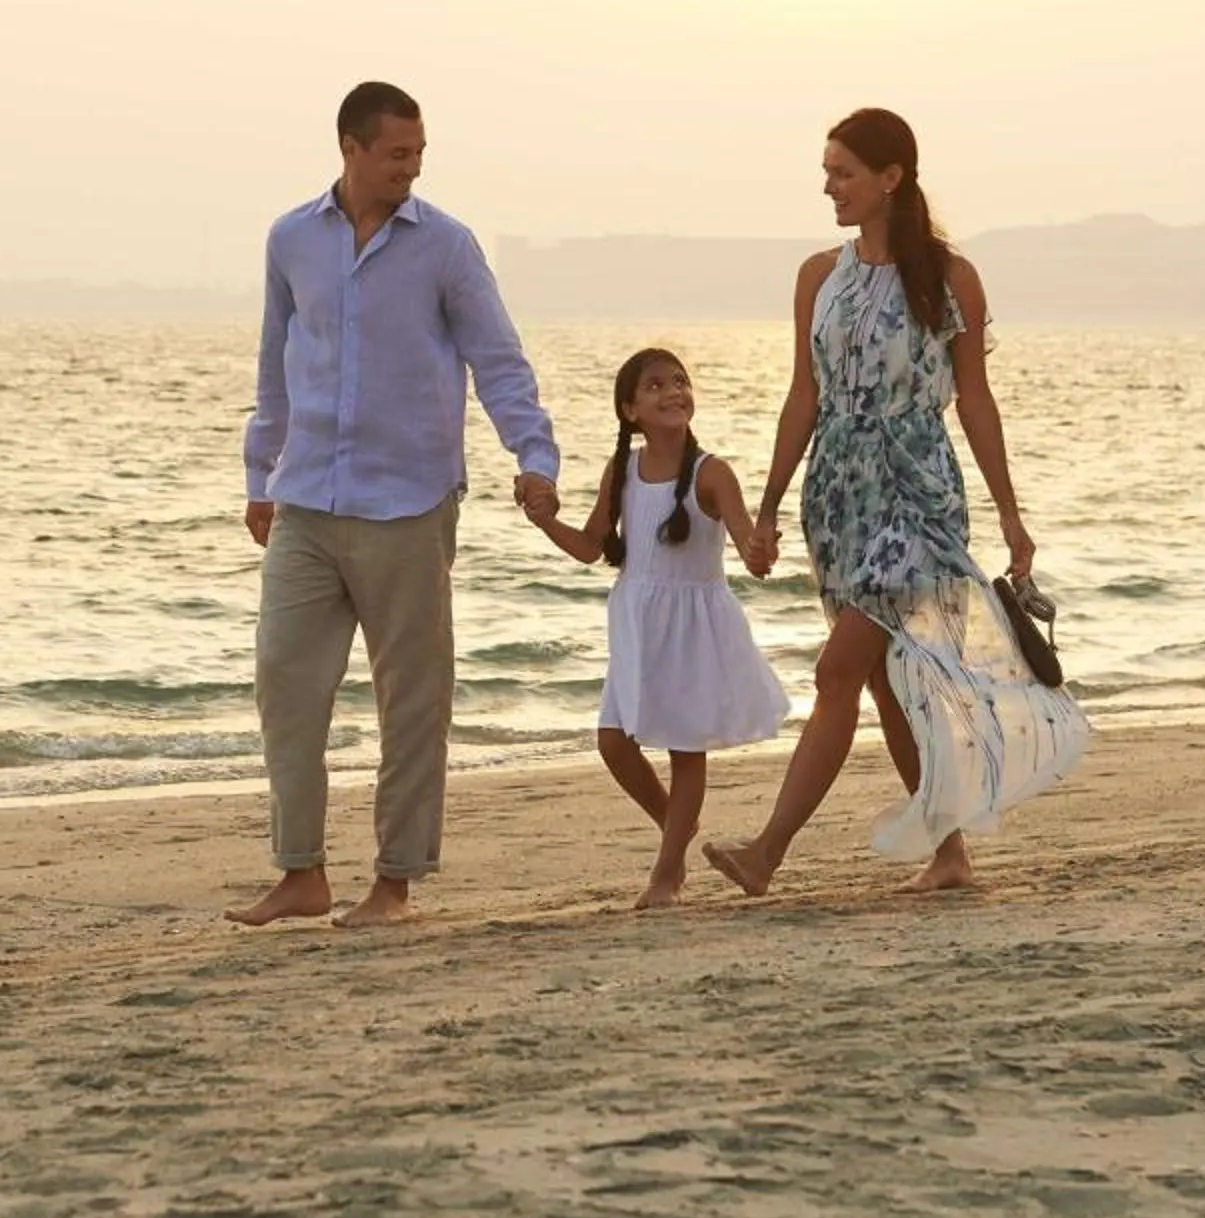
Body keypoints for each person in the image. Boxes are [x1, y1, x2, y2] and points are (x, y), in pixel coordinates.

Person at [706, 108, 1091, 898]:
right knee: (886, 683)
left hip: (916, 493)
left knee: (838, 669)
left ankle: (766, 853)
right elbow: (802, 396)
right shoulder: (819, 275)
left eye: (843, 172)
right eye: (826, 171)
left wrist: (1011, 514)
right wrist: (772, 503)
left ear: (891, 178)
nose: (829, 187)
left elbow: (976, 402)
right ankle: (951, 855)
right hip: (839, 496)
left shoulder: (951, 278)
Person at [226, 82, 562, 929]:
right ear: (351, 148)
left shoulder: (446, 247)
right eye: (396, 154)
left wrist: (534, 456)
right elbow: (276, 364)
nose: (411, 168)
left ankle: (395, 883)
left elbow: (499, 358)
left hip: (409, 504)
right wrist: (259, 475)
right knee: (285, 685)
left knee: (412, 702)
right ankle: (301, 872)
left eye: (418, 154)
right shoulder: (291, 239)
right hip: (305, 498)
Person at [525, 347, 788, 910]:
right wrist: (546, 521)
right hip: (638, 621)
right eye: (655, 386)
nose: (673, 392)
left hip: (693, 625)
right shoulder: (622, 471)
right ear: (630, 410)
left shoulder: (710, 473)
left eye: (680, 381)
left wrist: (760, 550)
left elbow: (746, 546)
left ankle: (666, 876)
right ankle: (678, 826)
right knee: (613, 742)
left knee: (685, 753)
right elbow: (592, 547)